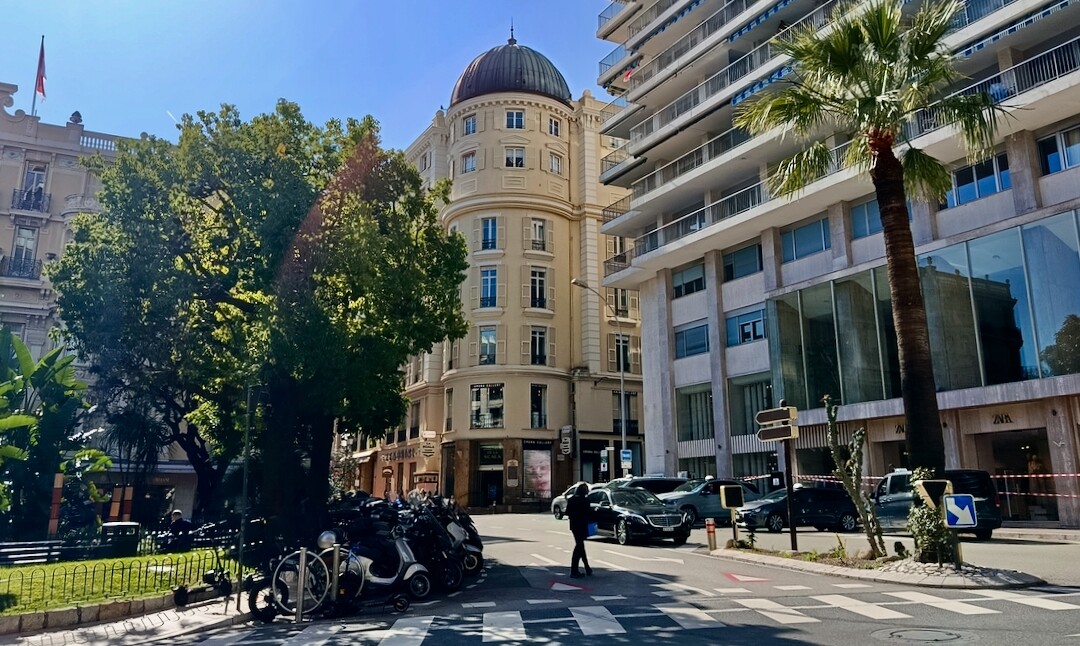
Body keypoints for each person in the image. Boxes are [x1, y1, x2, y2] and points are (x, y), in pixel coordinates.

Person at [565, 482, 593, 578]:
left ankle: (586, 567)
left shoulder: (571, 500)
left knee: (580, 546)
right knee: (579, 547)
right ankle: (574, 570)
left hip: (574, 526)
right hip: (582, 526)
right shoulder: (585, 501)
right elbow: (588, 513)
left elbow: (567, 512)